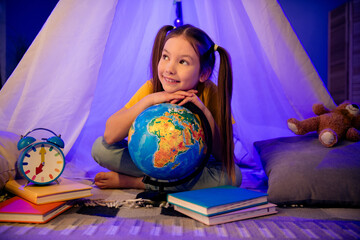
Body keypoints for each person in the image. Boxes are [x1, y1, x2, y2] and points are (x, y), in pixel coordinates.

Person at [91, 24, 242, 192]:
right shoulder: (151, 88)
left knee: (233, 176)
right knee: (100, 148)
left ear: (203, 73)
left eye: (183, 62)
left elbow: (224, 155)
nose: (169, 69)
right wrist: (150, 100)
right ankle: (167, 183)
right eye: (165, 57)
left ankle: (138, 182)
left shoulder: (212, 93)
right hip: (153, 161)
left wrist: (203, 110)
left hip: (193, 167)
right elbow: (110, 135)